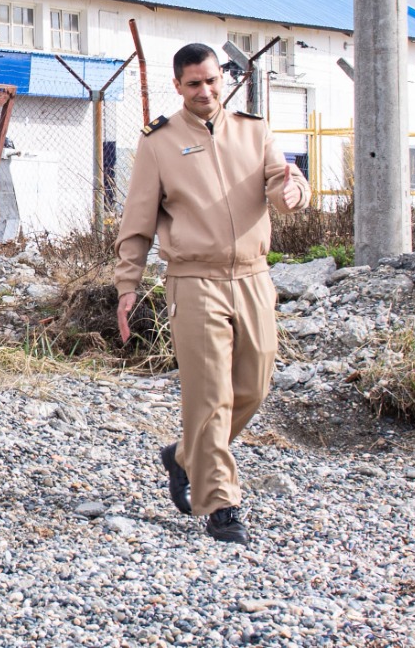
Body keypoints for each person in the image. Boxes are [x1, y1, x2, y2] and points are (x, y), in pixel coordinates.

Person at [114, 42, 310, 544]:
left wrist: (295, 192)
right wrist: (126, 286)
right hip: (193, 279)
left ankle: (184, 457)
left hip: (252, 276)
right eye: (193, 84)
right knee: (210, 396)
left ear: (224, 79)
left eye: (212, 81)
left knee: (255, 384)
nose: (205, 91)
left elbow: (282, 182)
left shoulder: (254, 130)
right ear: (177, 86)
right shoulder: (158, 143)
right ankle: (220, 503)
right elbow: (136, 223)